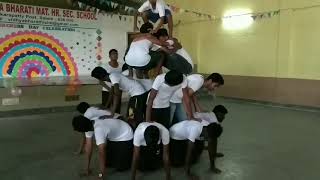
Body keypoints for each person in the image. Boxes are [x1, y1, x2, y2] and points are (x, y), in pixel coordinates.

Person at [170, 105, 228, 175]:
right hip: (175, 137)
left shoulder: (209, 126)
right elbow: (189, 151)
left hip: (187, 132)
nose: (209, 141)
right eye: (208, 138)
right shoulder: (195, 130)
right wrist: (188, 172)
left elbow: (212, 144)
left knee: (195, 156)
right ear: (206, 132)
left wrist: (212, 166)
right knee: (177, 163)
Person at [194, 105, 228, 173]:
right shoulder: (213, 120)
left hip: (197, 131)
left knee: (213, 138)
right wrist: (213, 166)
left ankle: (213, 153)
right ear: (217, 113)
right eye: (222, 115)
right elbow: (211, 143)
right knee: (211, 141)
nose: (224, 117)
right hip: (190, 135)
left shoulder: (212, 115)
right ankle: (212, 167)